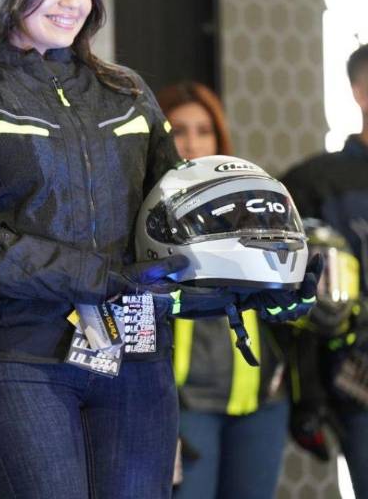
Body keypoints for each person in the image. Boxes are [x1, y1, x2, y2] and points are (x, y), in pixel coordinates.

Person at [0, 0, 319, 499]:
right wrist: (103, 277)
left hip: (138, 362)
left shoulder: (127, 91)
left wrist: (257, 286)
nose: (70, 0)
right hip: (20, 360)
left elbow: (176, 244)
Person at [158, 82, 290, 499]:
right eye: (180, 130)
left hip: (261, 400)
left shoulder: (256, 201)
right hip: (185, 402)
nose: (193, 143)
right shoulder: (142, 210)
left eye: (204, 130)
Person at [282, 43, 368, 497]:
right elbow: (295, 302)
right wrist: (309, 394)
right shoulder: (313, 184)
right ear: (359, 92)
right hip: (357, 383)